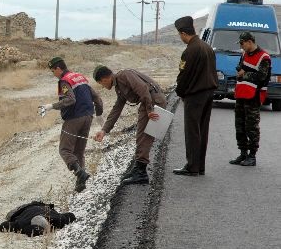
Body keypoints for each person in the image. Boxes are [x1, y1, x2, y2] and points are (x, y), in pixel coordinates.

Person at [92, 65, 167, 185]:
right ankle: (138, 169)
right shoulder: (119, 85)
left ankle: (141, 173)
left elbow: (142, 88)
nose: (103, 86)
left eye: (101, 84)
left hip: (152, 101)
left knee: (144, 137)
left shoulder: (124, 75)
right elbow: (117, 109)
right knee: (142, 136)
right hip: (150, 101)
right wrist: (104, 130)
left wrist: (149, 110)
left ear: (104, 79)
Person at [39, 57, 103, 192]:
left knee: (65, 150)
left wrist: (51, 106)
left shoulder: (64, 81)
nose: (53, 74)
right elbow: (96, 97)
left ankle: (79, 173)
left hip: (74, 118)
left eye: (52, 71)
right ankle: (81, 184)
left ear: (58, 68)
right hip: (88, 117)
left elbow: (70, 99)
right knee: (79, 151)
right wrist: (99, 114)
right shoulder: (80, 77)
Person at [173, 16, 218, 176]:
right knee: (202, 130)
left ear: (184, 33)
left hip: (195, 95)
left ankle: (192, 166)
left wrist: (180, 92)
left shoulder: (190, 50)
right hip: (208, 93)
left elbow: (183, 76)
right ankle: (200, 166)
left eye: (180, 35)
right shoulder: (207, 47)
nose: (180, 38)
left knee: (192, 131)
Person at [229, 32, 271, 167]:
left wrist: (244, 74)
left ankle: (252, 156)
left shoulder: (264, 57)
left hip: (253, 97)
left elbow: (262, 76)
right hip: (241, 94)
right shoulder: (244, 54)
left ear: (249, 42)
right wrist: (240, 72)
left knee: (251, 127)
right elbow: (240, 70)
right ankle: (243, 153)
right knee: (239, 126)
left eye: (242, 44)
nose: (241, 47)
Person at [0, 201, 76, 237]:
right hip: (20, 210)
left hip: (37, 206)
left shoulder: (57, 219)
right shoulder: (58, 219)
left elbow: (3, 226)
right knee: (9, 216)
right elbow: (71, 216)